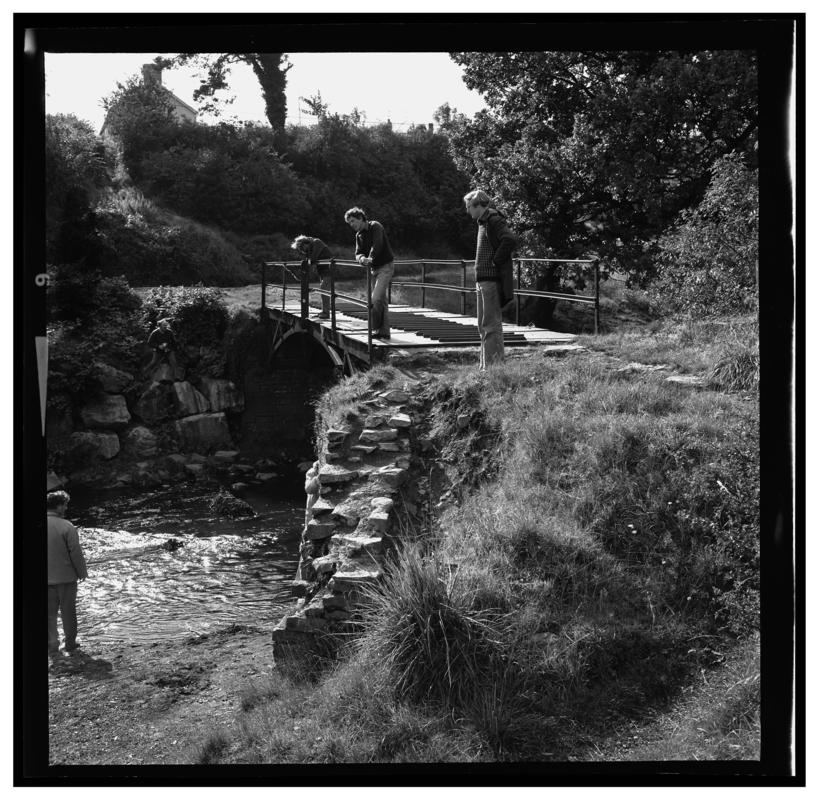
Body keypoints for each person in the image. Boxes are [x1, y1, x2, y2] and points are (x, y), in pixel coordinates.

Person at [464, 190, 518, 370]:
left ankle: (494, 368)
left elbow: (509, 240)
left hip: (490, 280)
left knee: (491, 325)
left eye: (469, 206)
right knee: (483, 325)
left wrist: (495, 260)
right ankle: (485, 367)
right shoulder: (483, 222)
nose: (467, 210)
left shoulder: (494, 220)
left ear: (479, 205)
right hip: (482, 280)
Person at [47, 490, 88, 656]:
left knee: (48, 614)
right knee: (68, 612)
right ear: (58, 506)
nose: (66, 508)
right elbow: (75, 553)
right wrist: (82, 572)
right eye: (64, 504)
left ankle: (51, 644)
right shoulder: (66, 526)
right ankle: (70, 643)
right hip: (65, 578)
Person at [344, 207, 395, 339]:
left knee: (375, 299)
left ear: (361, 218)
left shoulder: (375, 226)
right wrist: (361, 259)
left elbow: (377, 244)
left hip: (385, 267)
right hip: (373, 270)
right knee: (381, 301)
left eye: (353, 221)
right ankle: (384, 332)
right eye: (349, 223)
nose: (352, 225)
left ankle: (374, 328)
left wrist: (370, 258)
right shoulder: (358, 235)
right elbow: (358, 253)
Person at [291, 235, 334, 319]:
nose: (301, 250)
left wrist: (308, 260)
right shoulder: (310, 248)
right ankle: (324, 311)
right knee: (323, 289)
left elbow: (313, 258)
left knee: (324, 288)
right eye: (299, 249)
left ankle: (326, 313)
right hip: (322, 270)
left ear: (305, 243)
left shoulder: (316, 242)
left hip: (329, 268)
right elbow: (309, 261)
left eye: (301, 247)